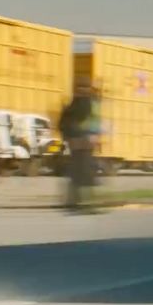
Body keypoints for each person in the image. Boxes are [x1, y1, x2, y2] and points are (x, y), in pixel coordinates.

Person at [58, 80, 102, 210]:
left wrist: (67, 138)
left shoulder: (74, 105)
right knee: (83, 173)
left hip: (79, 143)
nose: (84, 91)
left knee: (79, 173)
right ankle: (82, 201)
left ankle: (75, 200)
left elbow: (63, 124)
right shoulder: (87, 104)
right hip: (83, 143)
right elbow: (93, 123)